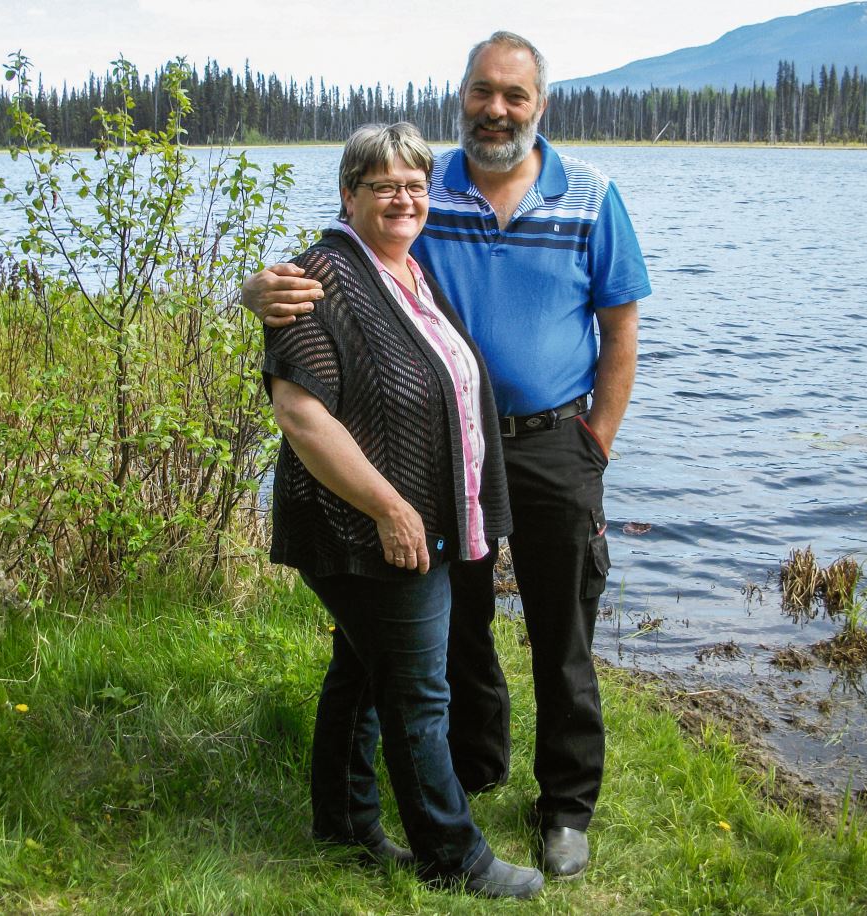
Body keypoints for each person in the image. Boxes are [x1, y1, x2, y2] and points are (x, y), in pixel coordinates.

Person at [246, 33, 652, 879]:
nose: (495, 109)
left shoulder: (592, 195)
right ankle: (471, 772)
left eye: (514, 94)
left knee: (561, 632)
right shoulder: (430, 186)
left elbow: (621, 328)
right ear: (460, 95)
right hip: (439, 464)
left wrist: (597, 443)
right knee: (455, 630)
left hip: (552, 446)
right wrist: (255, 289)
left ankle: (566, 806)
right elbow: (338, 268)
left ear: (541, 103)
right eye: (481, 92)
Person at [262, 121, 544, 899]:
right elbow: (301, 413)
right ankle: (455, 858)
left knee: (360, 670)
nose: (403, 197)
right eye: (383, 184)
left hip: (413, 522)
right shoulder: (324, 277)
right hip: (364, 526)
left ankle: (345, 824)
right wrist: (389, 506)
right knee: (420, 694)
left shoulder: (407, 272)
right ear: (348, 193)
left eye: (416, 183)